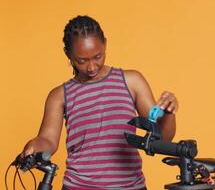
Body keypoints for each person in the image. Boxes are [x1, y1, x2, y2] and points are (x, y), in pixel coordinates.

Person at [21, 15, 178, 190]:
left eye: (98, 56)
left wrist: (169, 114)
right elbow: (48, 140)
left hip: (129, 187)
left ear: (105, 44)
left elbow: (162, 137)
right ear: (68, 54)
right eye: (82, 60)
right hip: (78, 186)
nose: (92, 67)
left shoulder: (131, 81)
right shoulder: (59, 96)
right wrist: (34, 145)